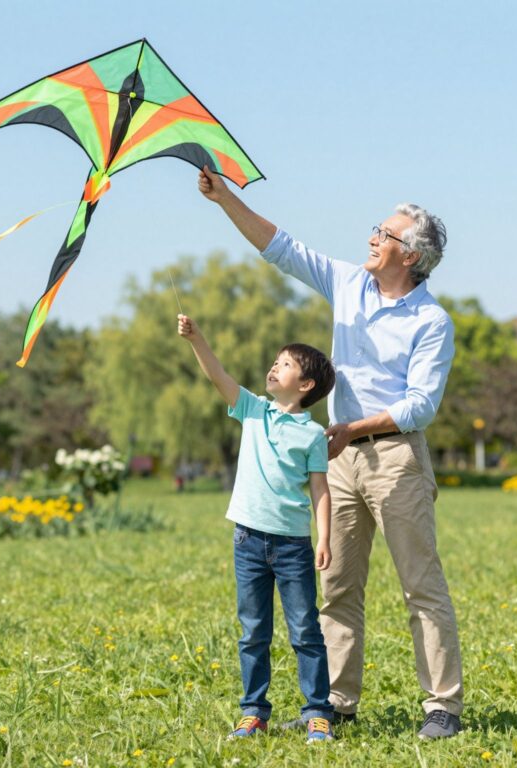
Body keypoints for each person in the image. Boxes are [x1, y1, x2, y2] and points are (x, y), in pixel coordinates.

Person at [198, 167, 463, 740]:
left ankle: (442, 705)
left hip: (394, 458)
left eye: (384, 234)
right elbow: (281, 248)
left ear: (410, 257)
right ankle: (335, 703)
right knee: (337, 583)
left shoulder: (431, 322)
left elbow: (420, 406)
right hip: (338, 457)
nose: (371, 238)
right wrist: (226, 201)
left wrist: (353, 426)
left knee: (420, 584)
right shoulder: (348, 283)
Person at [176, 312, 338, 743]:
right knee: (253, 631)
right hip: (247, 539)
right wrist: (197, 339)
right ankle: (254, 711)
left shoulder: (313, 434)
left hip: (292, 546)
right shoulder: (252, 409)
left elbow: (320, 491)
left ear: (305, 385)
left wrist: (324, 538)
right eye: (275, 361)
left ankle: (317, 712)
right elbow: (218, 375)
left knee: (304, 628)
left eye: (284, 364)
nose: (274, 367)